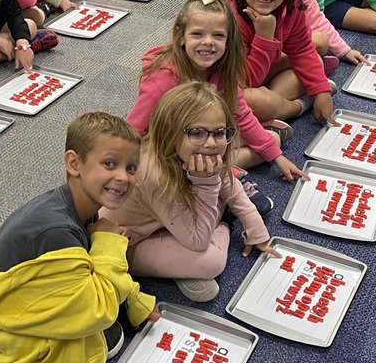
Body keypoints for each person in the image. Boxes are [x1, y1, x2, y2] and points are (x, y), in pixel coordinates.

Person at [0, 112, 159, 363]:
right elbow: (96, 310)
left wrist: (135, 300)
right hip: (7, 339)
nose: (123, 177)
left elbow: (87, 263)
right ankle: (3, 348)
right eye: (110, 164)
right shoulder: (57, 230)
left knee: (109, 315)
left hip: (19, 302)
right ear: (74, 163)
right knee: (103, 337)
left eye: (131, 168)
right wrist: (108, 241)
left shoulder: (78, 203)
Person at [104, 82, 281, 303]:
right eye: (196, 133)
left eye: (219, 132)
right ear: (169, 135)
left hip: (166, 221)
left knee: (220, 191)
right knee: (211, 262)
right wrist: (207, 186)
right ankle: (223, 219)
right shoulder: (153, 173)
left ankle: (210, 214)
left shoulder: (202, 154)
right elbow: (198, 242)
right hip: (129, 242)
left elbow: (231, 184)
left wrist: (257, 230)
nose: (211, 143)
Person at [127, 0, 305, 181]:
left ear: (228, 41)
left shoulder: (222, 71)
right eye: (197, 34)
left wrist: (278, 158)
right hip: (167, 149)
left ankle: (218, 173)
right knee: (162, 169)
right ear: (180, 37)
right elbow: (133, 131)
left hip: (203, 138)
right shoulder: (163, 79)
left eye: (218, 36)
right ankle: (224, 176)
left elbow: (242, 114)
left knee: (273, 142)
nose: (208, 42)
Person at [223, 0, 336, 123]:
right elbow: (245, 80)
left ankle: (272, 109)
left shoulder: (292, 6)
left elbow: (302, 50)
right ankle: (293, 108)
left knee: (314, 56)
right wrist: (264, 37)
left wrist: (321, 90)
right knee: (255, 101)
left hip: (260, 70)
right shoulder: (228, 18)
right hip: (234, 82)